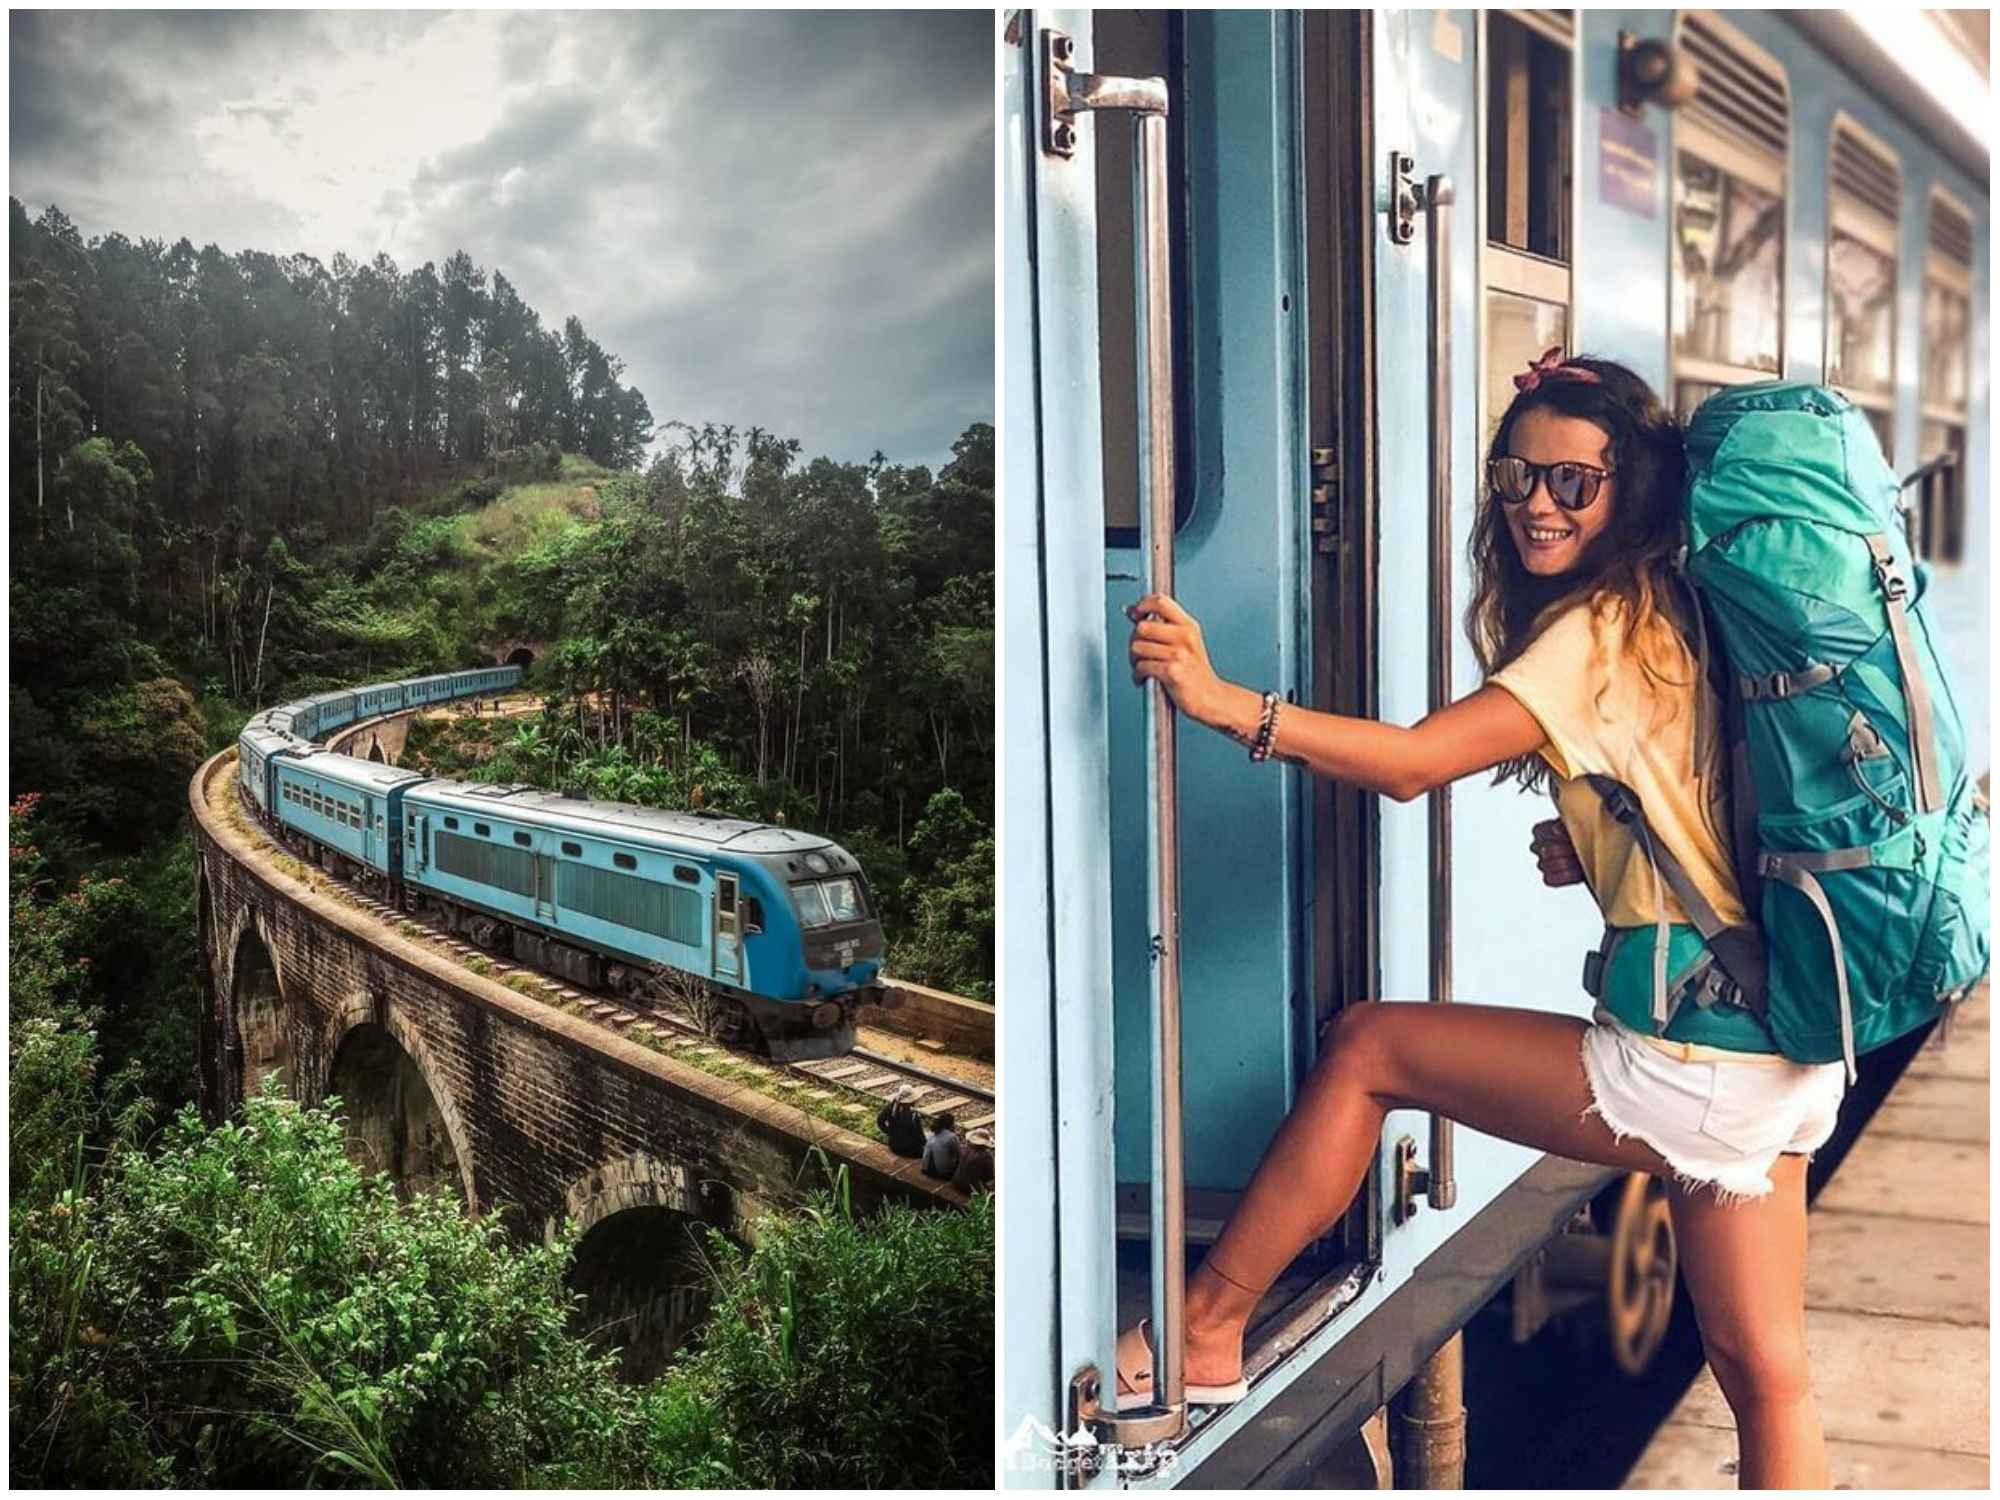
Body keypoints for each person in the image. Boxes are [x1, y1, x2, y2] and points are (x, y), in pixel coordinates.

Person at [1122, 351, 1843, 1489]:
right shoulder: (1674, 606)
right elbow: (1698, 786)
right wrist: (1608, 843)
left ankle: (1203, 1331)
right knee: (1766, 1374)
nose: (1536, 508)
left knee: (1369, 1047)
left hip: (1698, 1062)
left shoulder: (1592, 632)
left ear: (1631, 491)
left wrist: (1224, 706)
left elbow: (1411, 766)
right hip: (1790, 1048)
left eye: (1572, 482)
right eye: (1515, 479)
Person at [877, 1086, 925, 1158]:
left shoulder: (892, 1107)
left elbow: (880, 1120)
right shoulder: (911, 1115)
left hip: (893, 1146)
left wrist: (890, 1132)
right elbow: (920, 1137)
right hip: (910, 1152)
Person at [921, 1112, 962, 1180]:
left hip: (925, 1169)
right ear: (951, 1124)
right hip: (941, 1173)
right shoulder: (952, 1136)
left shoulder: (933, 1133)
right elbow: (959, 1154)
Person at [952, 1127, 994, 1193]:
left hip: (956, 1183)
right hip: (970, 1189)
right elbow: (988, 1177)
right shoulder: (986, 1156)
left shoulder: (963, 1148)